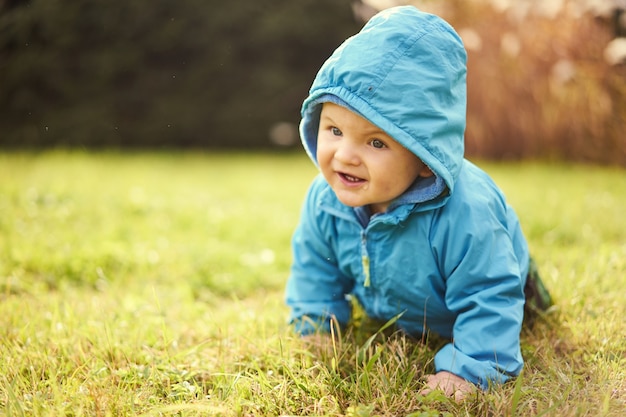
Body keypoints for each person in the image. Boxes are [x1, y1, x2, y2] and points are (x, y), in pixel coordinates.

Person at [284, 6, 552, 401]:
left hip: (499, 289)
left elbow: (489, 292)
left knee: (498, 293)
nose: (345, 155)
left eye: (376, 142)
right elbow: (314, 270)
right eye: (334, 130)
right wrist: (316, 328)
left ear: (424, 159)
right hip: (399, 306)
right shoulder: (325, 201)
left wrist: (472, 371)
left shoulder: (466, 213)